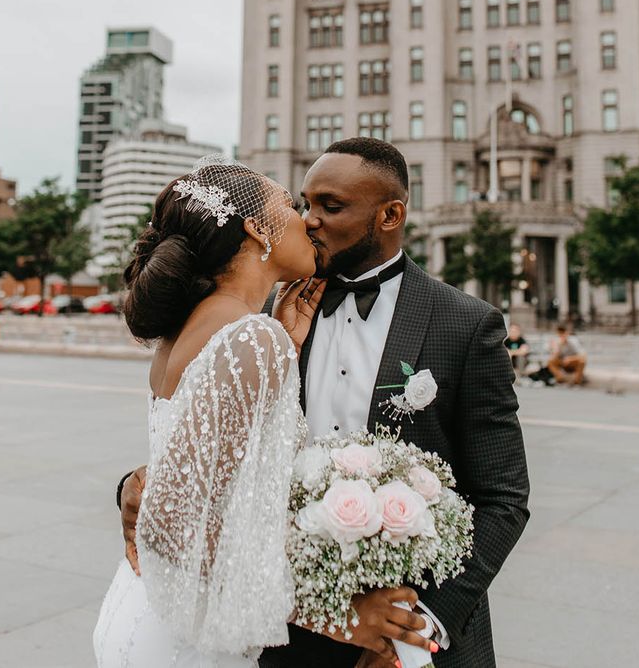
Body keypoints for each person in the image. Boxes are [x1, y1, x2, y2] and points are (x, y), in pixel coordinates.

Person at [119, 140, 530, 668]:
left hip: (411, 635)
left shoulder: (465, 324)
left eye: (330, 207)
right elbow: (203, 458)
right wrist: (137, 487)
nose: (310, 220)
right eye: (303, 204)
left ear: (390, 214)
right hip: (279, 639)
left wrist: (415, 628)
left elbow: (503, 496)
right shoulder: (260, 320)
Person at [93, 156, 432, 668]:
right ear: (258, 229)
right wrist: (334, 615)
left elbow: (210, 476)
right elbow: (173, 526)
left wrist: (282, 350)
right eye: (292, 207)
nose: (307, 221)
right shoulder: (251, 336)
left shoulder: (198, 328)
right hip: (191, 639)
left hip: (145, 610)